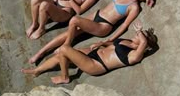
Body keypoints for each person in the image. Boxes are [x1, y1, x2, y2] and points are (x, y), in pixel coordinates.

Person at [28, 0, 156, 64]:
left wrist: (110, 39)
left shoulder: (134, 7)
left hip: (104, 25)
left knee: (74, 20)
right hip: (96, 15)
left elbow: (125, 25)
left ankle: (65, 46)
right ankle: (41, 53)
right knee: (70, 31)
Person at [22, 20, 158, 84]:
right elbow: (112, 44)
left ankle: (65, 77)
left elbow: (144, 43)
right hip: (94, 53)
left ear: (145, 44)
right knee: (62, 55)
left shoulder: (135, 55)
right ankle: (38, 70)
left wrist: (140, 32)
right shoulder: (128, 41)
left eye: (142, 36)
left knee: (64, 49)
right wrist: (102, 43)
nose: (138, 35)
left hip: (96, 65)